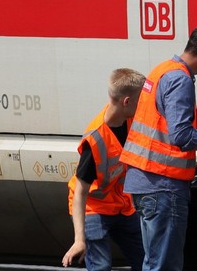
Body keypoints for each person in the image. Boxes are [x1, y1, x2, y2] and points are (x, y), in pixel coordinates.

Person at [121, 21, 197, 271]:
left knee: (154, 261)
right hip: (163, 186)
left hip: (145, 181)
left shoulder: (162, 70)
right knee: (165, 265)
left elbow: (159, 130)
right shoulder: (180, 80)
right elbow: (182, 135)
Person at [62, 68, 147, 271]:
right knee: (100, 266)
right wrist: (79, 240)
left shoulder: (131, 121)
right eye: (141, 100)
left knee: (147, 260)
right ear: (126, 102)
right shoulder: (95, 140)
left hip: (121, 204)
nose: (144, 105)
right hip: (94, 207)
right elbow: (81, 193)